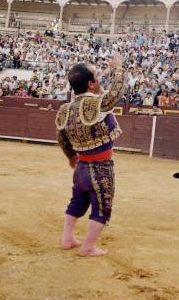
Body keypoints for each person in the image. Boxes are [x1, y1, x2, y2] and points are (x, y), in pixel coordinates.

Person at [56, 53, 126, 257]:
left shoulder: (65, 109)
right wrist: (119, 68)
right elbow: (115, 94)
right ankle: (88, 246)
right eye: (96, 76)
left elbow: (62, 139)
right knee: (102, 206)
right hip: (101, 166)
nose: (99, 79)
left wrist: (71, 158)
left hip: (80, 167)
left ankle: (67, 238)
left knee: (77, 200)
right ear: (90, 84)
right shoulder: (95, 105)